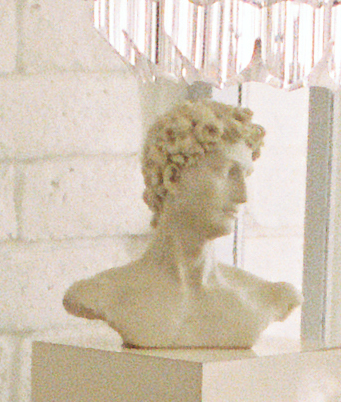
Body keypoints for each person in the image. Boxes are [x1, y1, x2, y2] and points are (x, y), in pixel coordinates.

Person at [62, 98, 302, 352]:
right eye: (226, 172)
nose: (242, 196)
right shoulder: (105, 294)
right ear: (173, 178)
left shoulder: (262, 298)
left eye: (245, 176)